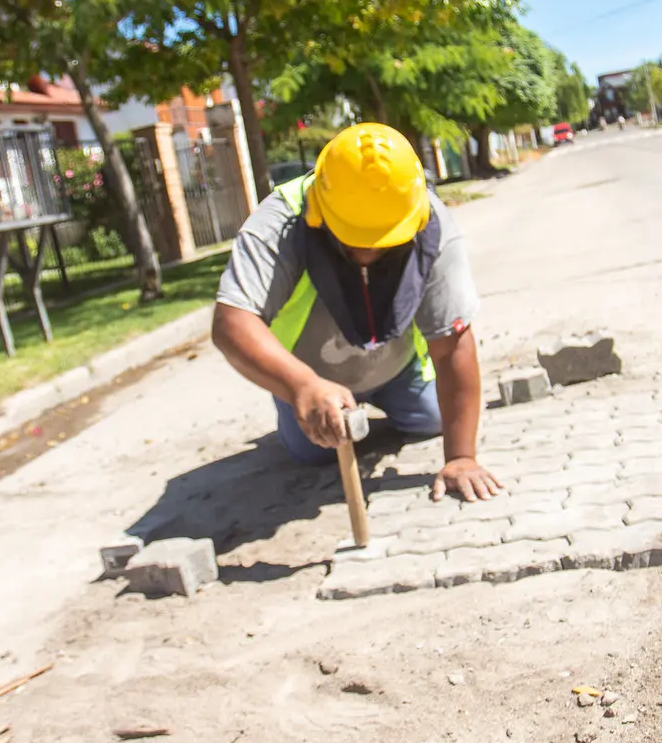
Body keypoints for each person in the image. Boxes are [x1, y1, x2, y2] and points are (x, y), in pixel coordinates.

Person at [211, 122, 503, 502]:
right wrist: (300, 386)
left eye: (386, 243)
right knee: (312, 452)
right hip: (311, 376)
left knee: (434, 419)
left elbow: (453, 342)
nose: (367, 255)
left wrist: (462, 457)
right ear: (319, 208)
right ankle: (302, 405)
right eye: (352, 241)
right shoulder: (279, 223)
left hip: (397, 368)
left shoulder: (432, 221)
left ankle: (382, 402)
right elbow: (230, 323)